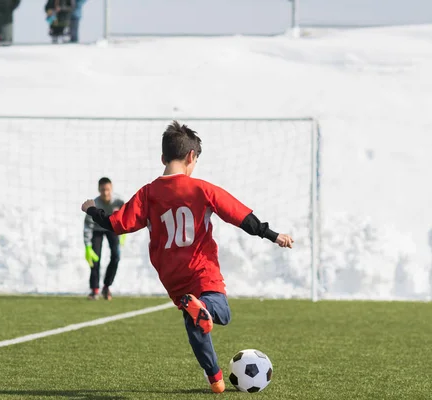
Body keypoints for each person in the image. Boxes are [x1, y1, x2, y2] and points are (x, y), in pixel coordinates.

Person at [81, 121, 293, 393]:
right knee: (222, 312)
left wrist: (90, 209)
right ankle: (204, 307)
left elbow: (115, 223)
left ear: (162, 158)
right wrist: (272, 234)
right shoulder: (202, 189)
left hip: (172, 276)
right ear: (191, 156)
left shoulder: (148, 193)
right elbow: (240, 216)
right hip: (201, 269)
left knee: (193, 319)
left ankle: (215, 378)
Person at [83, 177, 125, 300]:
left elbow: (125, 217)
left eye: (107, 189)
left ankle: (106, 287)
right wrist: (87, 246)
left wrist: (124, 233)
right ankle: (94, 289)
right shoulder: (94, 204)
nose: (105, 192)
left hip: (112, 229)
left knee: (116, 256)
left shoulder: (119, 202)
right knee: (95, 258)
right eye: (102, 190)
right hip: (97, 230)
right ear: (98, 190)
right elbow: (87, 225)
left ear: (111, 188)